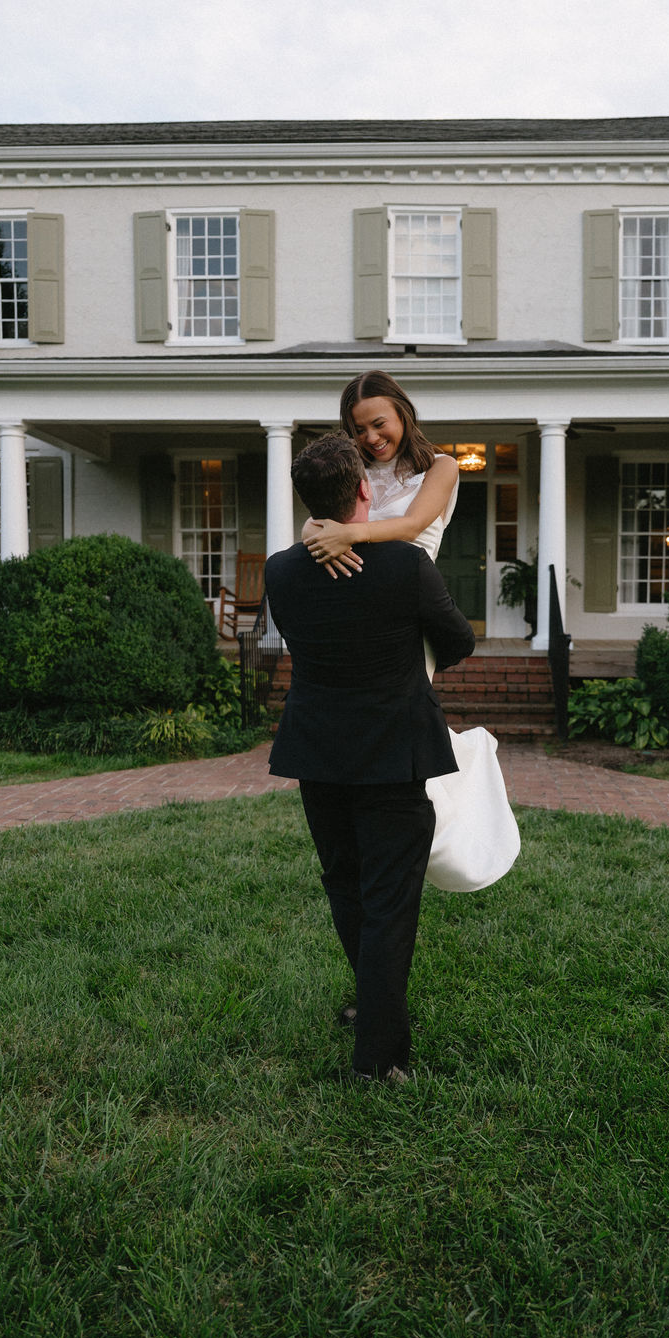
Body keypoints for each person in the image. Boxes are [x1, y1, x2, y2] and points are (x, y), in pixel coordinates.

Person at [265, 433, 475, 1083]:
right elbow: (458, 642)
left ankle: (373, 1006)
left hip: (318, 752)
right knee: (388, 901)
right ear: (363, 491)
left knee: (347, 887)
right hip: (391, 752)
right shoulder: (406, 567)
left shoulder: (279, 570)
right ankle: (379, 1058)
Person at [303, 371, 521, 893]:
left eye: (379, 423)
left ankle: (444, 836)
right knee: (365, 722)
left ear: (403, 413)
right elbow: (318, 522)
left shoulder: (441, 468)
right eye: (358, 429)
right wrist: (315, 530)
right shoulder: (353, 472)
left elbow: (410, 525)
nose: (371, 437)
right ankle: (369, 825)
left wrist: (348, 532)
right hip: (356, 613)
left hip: (407, 615)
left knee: (401, 723)